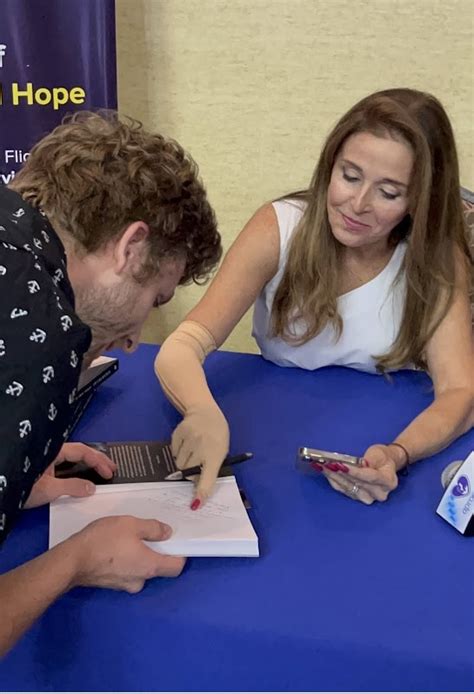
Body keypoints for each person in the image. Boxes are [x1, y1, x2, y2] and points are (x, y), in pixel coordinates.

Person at [155, 88, 473, 509]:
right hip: (272, 432)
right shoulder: (279, 227)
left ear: (419, 200)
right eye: (350, 176)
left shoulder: (437, 258)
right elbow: (181, 347)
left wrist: (398, 454)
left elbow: (460, 391)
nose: (357, 204)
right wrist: (201, 411)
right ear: (330, 166)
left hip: (391, 428)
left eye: (388, 192)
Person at [0, 111, 222, 655]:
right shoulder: (44, 341)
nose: (133, 341)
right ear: (131, 248)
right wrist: (75, 561)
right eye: (155, 299)